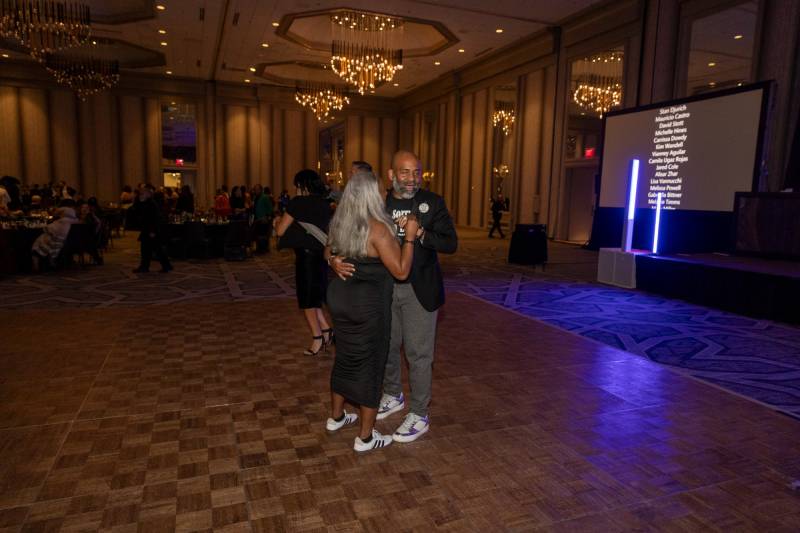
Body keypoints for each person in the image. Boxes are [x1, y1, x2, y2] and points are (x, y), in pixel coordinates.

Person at [330, 150, 457, 443]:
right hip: (382, 289)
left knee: (418, 354)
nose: (412, 179)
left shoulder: (432, 202)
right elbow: (347, 235)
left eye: (417, 172)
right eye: (405, 172)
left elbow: (451, 243)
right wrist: (332, 259)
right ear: (391, 175)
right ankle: (393, 394)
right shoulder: (379, 202)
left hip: (419, 290)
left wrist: (421, 233)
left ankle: (419, 412)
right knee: (386, 347)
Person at [324, 170, 419, 452]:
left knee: (345, 357)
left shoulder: (339, 222)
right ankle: (365, 437)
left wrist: (332, 261)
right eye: (381, 190)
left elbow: (327, 251)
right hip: (367, 305)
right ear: (371, 196)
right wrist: (410, 238)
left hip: (339, 298)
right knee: (371, 365)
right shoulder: (377, 229)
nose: (384, 193)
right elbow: (401, 271)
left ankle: (336, 417)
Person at [274, 170, 333, 356]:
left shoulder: (297, 203)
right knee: (315, 297)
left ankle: (317, 338)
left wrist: (276, 222)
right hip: (322, 256)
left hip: (306, 258)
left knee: (307, 301)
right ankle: (326, 330)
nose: (295, 188)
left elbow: (281, 231)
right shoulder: (325, 203)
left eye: (296, 185)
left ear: (302, 185)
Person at [133, 185, 173, 273]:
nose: (140, 196)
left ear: (148, 195)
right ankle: (146, 266)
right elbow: (136, 211)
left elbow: (154, 218)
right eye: (140, 194)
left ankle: (164, 266)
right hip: (147, 229)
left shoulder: (151, 204)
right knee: (148, 249)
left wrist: (152, 231)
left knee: (155, 249)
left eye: (142, 194)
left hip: (151, 230)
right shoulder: (144, 203)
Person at [31, 205, 78, 272]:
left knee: (36, 244)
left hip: (54, 242)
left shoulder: (61, 221)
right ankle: (51, 262)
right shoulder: (74, 221)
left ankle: (36, 264)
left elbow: (47, 229)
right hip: (63, 242)